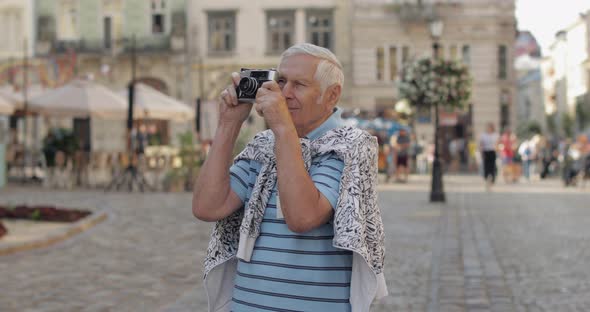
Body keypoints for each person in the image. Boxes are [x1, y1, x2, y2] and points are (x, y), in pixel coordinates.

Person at [192, 43, 387, 312]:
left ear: (332, 96)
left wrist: (283, 128)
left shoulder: (348, 146)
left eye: (299, 85)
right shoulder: (263, 145)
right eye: (281, 81)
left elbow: (302, 217)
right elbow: (207, 206)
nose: (284, 93)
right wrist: (228, 123)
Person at [479, 122, 499, 190]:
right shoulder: (483, 135)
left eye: (490, 127)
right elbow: (481, 144)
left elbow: (497, 144)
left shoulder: (495, 135)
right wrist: (481, 153)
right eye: (488, 127)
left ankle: (492, 180)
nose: (489, 129)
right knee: (486, 167)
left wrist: (497, 151)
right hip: (486, 152)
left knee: (492, 167)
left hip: (492, 152)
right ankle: (487, 179)